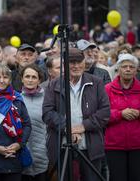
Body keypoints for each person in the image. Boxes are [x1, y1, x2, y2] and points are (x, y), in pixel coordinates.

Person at [42, 48, 110, 181]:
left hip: (90, 146)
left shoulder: (96, 83)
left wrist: (83, 126)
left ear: (84, 62)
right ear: (65, 64)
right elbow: (47, 113)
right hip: (62, 145)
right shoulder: (54, 84)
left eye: (79, 61)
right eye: (72, 62)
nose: (76, 66)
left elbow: (104, 112)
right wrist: (67, 128)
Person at [0, 63, 31, 181]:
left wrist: (19, 144)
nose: (1, 80)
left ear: (10, 80)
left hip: (14, 158)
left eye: (5, 77)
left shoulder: (16, 98)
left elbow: (27, 125)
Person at [104, 53, 140, 181]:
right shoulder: (107, 89)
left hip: (138, 145)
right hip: (114, 145)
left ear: (136, 70)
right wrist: (120, 114)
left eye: (132, 66)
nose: (128, 69)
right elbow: (102, 115)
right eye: (125, 66)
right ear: (118, 69)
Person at [20, 64, 49, 181]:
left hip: (43, 156)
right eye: (27, 76)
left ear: (39, 80)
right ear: (22, 79)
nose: (30, 80)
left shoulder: (47, 99)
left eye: (34, 77)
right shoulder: (15, 99)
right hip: (22, 156)